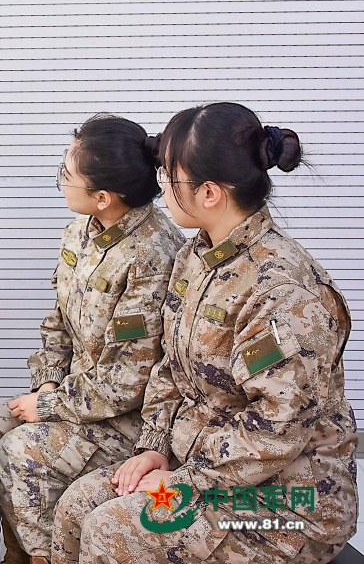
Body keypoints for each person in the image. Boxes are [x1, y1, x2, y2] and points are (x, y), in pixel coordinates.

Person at [52, 103, 359, 564]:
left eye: (170, 178)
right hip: (208, 468)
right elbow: (169, 366)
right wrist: (155, 447)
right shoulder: (196, 257)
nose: (161, 188)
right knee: (76, 507)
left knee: (112, 531)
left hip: (285, 502)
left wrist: (186, 481)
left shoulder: (282, 291)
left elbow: (277, 428)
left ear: (210, 193)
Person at [0, 115, 185, 564]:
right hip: (79, 398)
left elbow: (128, 381)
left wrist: (50, 406)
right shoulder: (81, 231)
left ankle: (48, 557)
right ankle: (18, 551)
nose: (61, 179)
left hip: (127, 420)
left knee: (20, 452)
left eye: (67, 173)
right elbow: (58, 322)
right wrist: (48, 384)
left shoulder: (151, 255)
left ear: (103, 197)